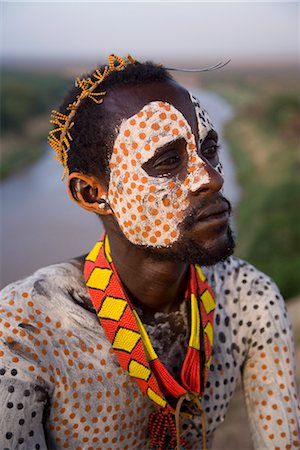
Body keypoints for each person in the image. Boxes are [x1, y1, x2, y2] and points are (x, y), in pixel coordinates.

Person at [0, 54, 299, 450]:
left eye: (207, 149)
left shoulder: (249, 299)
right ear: (93, 194)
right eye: (167, 162)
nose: (211, 177)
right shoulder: (23, 330)